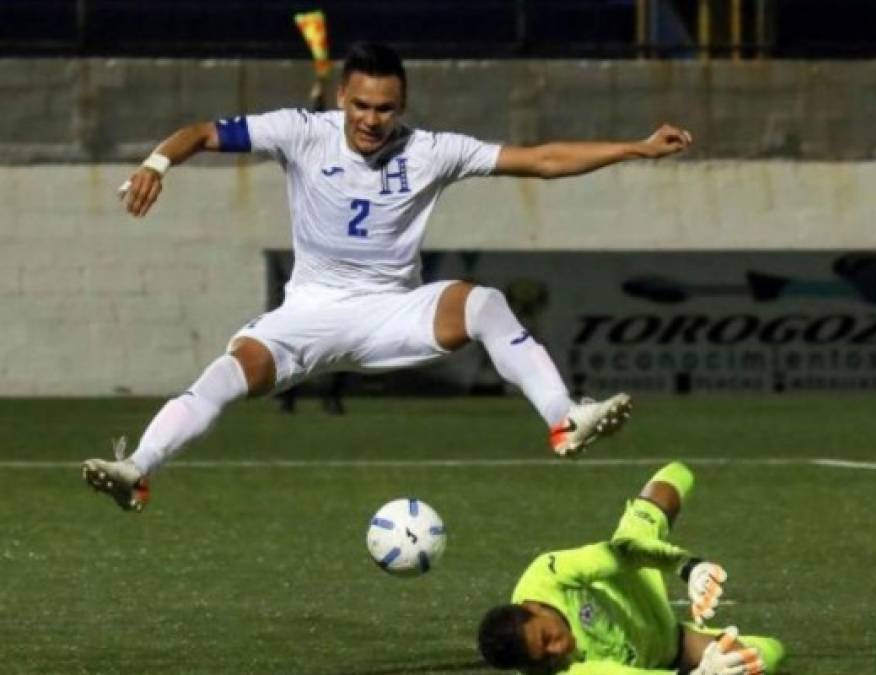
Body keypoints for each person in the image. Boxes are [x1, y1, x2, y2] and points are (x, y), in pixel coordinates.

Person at [82, 42, 690, 511]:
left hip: (392, 312)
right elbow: (203, 133)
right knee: (224, 375)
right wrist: (157, 163)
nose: (372, 119)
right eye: (361, 105)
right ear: (342, 96)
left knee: (483, 303)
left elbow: (541, 159)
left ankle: (563, 417)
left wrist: (637, 148)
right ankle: (138, 470)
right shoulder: (301, 130)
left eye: (386, 108)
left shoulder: (432, 149)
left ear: (403, 106)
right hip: (309, 313)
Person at [477, 462, 786, 674]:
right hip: (668, 649)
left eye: (547, 637)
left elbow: (619, 555)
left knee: (677, 475)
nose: (558, 648)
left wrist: (688, 566)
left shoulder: (545, 575)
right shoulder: (558, 671)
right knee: (769, 654)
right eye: (545, 657)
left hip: (636, 584)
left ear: (533, 607)